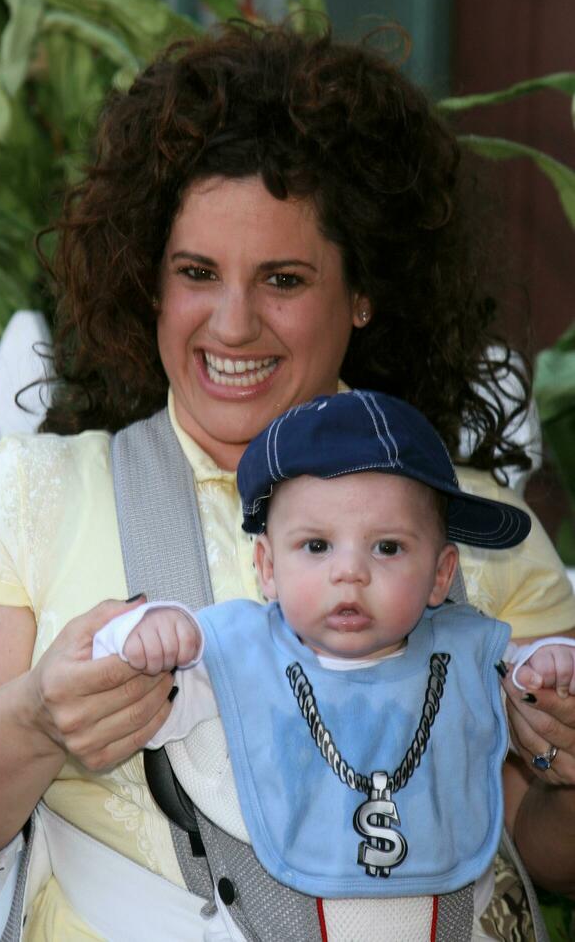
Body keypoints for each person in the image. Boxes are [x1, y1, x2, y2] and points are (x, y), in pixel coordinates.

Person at [0, 22, 574, 941]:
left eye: (283, 278)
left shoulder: (481, 526)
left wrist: (567, 774)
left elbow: (544, 847)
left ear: (362, 291)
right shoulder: (39, 496)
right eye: (196, 273)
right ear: (149, 282)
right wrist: (34, 725)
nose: (231, 324)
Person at [93, 389, 575, 939]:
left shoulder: (463, 655)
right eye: (317, 545)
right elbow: (114, 676)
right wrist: (146, 631)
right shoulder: (234, 652)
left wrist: (548, 663)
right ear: (267, 567)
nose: (351, 572)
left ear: (442, 574)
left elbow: (527, 683)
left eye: (388, 548)